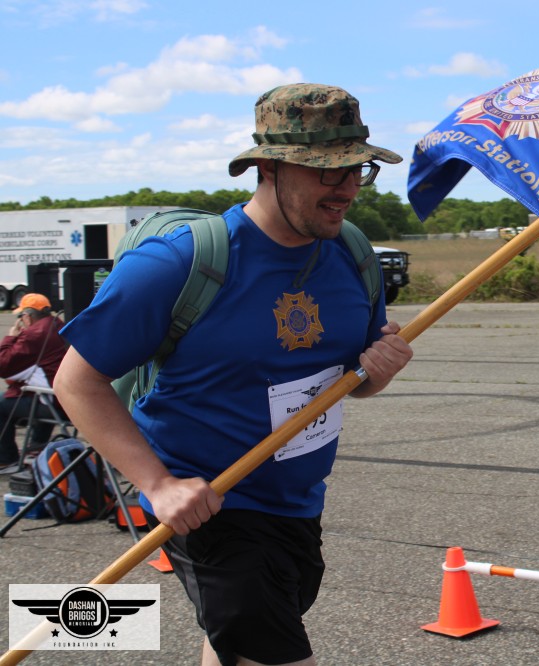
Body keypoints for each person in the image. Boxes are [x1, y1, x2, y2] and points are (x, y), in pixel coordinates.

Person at [54, 84, 414, 666]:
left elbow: (356, 378)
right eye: (328, 171)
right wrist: (158, 485)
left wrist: (380, 371)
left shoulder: (352, 255)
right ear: (268, 168)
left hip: (298, 502)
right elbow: (76, 381)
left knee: (233, 648)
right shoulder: (177, 263)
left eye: (358, 169)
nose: (348, 188)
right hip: (210, 505)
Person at [0, 293, 68, 474]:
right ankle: (37, 446)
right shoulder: (57, 324)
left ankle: (6, 460)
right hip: (66, 399)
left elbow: (4, 366)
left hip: (54, 403)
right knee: (36, 391)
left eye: (21, 316)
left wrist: (11, 337)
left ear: (28, 316)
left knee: (2, 403)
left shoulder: (33, 335)